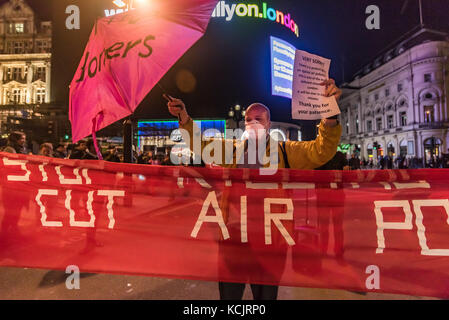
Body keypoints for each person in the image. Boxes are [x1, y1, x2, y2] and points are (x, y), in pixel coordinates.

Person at [167, 79, 342, 300]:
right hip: (234, 239)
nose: (252, 123)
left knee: (265, 298)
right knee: (230, 298)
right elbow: (200, 145)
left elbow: (321, 150)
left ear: (269, 124)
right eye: (249, 119)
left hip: (271, 240)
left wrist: (330, 115)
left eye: (258, 119)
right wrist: (183, 117)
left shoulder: (285, 152)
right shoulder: (232, 151)